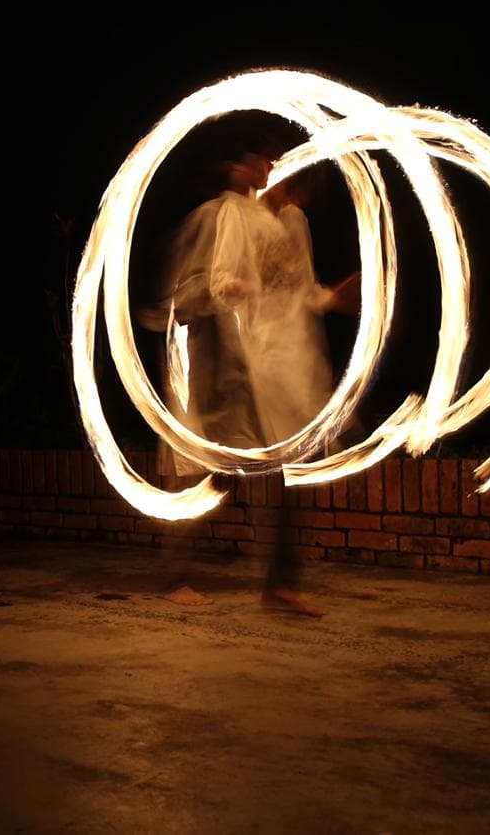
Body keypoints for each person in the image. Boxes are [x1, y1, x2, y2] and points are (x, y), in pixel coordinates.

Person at [142, 123, 359, 615]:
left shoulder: (294, 225)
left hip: (279, 367)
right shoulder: (228, 216)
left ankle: (279, 585)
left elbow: (301, 291)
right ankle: (176, 574)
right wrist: (234, 290)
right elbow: (213, 286)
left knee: (285, 474)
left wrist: (333, 298)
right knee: (210, 474)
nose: (279, 178)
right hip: (229, 366)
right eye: (271, 166)